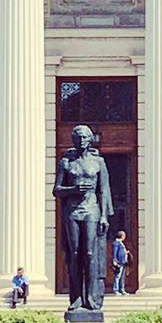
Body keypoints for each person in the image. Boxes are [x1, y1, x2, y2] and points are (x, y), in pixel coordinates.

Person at [52, 123, 112, 311]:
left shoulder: (98, 162)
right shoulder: (66, 162)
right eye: (78, 137)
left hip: (92, 210)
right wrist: (73, 190)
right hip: (73, 211)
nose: (81, 140)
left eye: (85, 137)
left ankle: (91, 298)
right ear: (73, 140)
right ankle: (76, 298)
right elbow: (56, 190)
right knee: (75, 255)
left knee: (90, 254)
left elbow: (104, 191)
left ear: (90, 139)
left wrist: (104, 216)